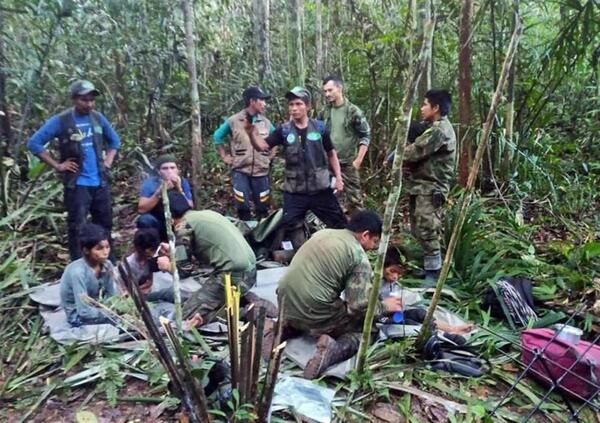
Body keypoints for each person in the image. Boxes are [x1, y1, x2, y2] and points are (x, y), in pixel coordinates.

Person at [276, 210, 403, 379]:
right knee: (367, 331)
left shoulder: (324, 233)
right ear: (365, 235)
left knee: (316, 302)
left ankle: (284, 328)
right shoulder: (358, 256)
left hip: (284, 302)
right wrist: (385, 306)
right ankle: (332, 351)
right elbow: (358, 306)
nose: (373, 248)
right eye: (374, 241)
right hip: (314, 311)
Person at [28, 80, 121, 261]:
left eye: (91, 100)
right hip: (78, 185)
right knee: (77, 227)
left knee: (105, 225)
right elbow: (34, 143)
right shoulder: (61, 121)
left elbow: (115, 142)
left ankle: (109, 265)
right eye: (84, 100)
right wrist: (57, 165)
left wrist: (107, 162)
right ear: (74, 99)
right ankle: (79, 266)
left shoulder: (97, 118)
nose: (89, 104)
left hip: (100, 182)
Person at [246, 86, 347, 248]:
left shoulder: (320, 128)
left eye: (298, 104)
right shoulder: (284, 130)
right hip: (295, 191)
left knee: (339, 223)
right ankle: (303, 254)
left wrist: (339, 178)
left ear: (308, 107)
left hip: (320, 188)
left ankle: (343, 253)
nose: (294, 108)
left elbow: (331, 153)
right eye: (291, 104)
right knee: (291, 223)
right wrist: (251, 133)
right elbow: (263, 146)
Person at [166, 196, 275, 324]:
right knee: (204, 297)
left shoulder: (183, 226)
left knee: (185, 317)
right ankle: (243, 299)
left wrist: (168, 265)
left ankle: (246, 312)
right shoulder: (206, 214)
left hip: (232, 275)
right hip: (249, 271)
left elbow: (184, 270)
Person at [404, 89, 456, 282]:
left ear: (436, 108)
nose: (422, 108)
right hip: (421, 185)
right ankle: (429, 268)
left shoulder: (439, 130)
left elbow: (414, 151)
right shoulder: (431, 128)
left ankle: (434, 274)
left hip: (431, 188)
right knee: (418, 227)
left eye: (425, 104)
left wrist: (397, 154)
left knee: (427, 227)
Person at [213, 86, 276, 220]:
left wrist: (270, 156)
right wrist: (224, 156)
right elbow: (217, 137)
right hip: (241, 170)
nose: (264, 104)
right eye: (262, 100)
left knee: (263, 206)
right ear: (252, 101)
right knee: (242, 205)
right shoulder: (234, 121)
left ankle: (262, 235)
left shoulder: (265, 123)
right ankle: (244, 234)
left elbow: (276, 139)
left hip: (261, 171)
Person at [378, 251, 473, 335]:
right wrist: (384, 307)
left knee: (420, 314)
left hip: (393, 315)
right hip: (379, 320)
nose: (395, 277)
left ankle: (451, 329)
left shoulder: (391, 284)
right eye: (392, 271)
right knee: (410, 324)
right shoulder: (373, 282)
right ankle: (441, 336)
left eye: (399, 274)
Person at [319, 75, 371, 214]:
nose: (327, 94)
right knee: (330, 200)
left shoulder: (353, 111)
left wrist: (358, 161)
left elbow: (365, 135)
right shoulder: (325, 112)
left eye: (330, 90)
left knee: (355, 201)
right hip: (328, 164)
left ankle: (359, 232)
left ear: (339, 88)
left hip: (348, 164)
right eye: (325, 91)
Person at [59, 223, 116, 326]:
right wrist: (110, 314)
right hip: (78, 314)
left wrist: (115, 307)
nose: (105, 252)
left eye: (107, 247)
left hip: (100, 307)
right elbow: (83, 311)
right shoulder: (78, 272)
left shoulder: (107, 265)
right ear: (86, 250)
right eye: (99, 249)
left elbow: (111, 294)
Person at [137, 154, 194, 240]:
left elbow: (190, 206)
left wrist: (179, 188)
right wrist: (159, 192)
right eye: (165, 168)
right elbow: (142, 209)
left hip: (178, 221)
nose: (169, 171)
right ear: (159, 171)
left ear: (177, 170)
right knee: (145, 220)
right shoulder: (150, 183)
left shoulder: (182, 182)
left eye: (172, 168)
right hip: (158, 220)